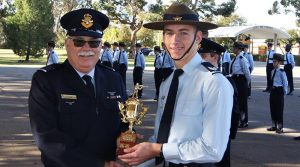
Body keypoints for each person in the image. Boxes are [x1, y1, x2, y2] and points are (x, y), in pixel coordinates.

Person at [118, 3, 233, 167]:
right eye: (169, 33)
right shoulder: (168, 82)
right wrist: (136, 160)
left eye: (183, 33)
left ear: (198, 38)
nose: (175, 40)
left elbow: (213, 149)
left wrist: (156, 149)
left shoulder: (214, 82)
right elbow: (161, 140)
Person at [28, 8, 128, 167]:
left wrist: (126, 139)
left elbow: (125, 123)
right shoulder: (47, 80)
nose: (86, 48)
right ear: (67, 44)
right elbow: (46, 137)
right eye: (79, 41)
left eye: (94, 42)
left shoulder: (114, 78)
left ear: (100, 46)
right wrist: (99, 164)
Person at [199, 38, 240, 167]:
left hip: (218, 137)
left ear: (215, 57)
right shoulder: (195, 79)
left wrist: (228, 134)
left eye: (202, 56)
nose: (198, 60)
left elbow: (234, 113)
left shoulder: (223, 81)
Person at [230, 42, 250, 128]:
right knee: (236, 101)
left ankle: (244, 121)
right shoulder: (235, 58)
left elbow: (247, 73)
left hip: (241, 81)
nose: (233, 49)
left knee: (242, 102)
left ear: (238, 49)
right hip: (235, 80)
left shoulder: (242, 59)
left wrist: (247, 84)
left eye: (234, 47)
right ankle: (238, 120)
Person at [266, 53, 288, 134]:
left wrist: (284, 93)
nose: (273, 63)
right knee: (273, 108)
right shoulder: (272, 71)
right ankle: (274, 125)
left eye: (275, 62)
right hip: (273, 91)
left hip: (279, 91)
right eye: (273, 61)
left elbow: (285, 83)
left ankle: (280, 127)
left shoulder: (282, 72)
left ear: (279, 63)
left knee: (279, 110)